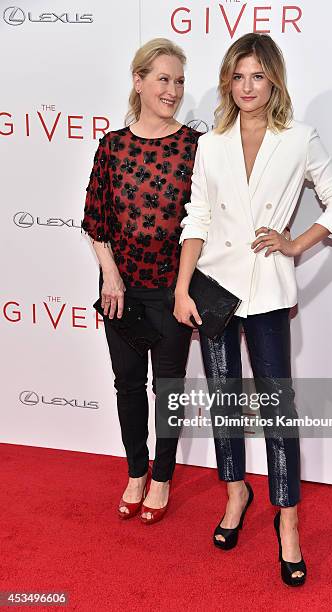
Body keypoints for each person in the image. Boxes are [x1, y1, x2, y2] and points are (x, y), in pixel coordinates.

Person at [174, 32, 332, 585]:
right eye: (238, 75)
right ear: (229, 81)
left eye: (258, 75)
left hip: (270, 292)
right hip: (215, 290)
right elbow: (197, 218)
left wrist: (296, 244)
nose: (247, 86)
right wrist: (182, 288)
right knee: (225, 400)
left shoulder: (298, 138)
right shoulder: (212, 143)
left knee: (278, 411)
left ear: (272, 80)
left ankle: (289, 521)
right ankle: (235, 495)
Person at [82, 38, 201, 524]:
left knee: (168, 389)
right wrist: (109, 274)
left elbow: (203, 221)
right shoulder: (112, 146)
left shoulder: (195, 147)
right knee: (127, 385)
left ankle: (163, 478)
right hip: (122, 293)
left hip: (173, 292)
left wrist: (184, 288)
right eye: (162, 79)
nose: (171, 90)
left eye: (178, 81)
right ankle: (135, 472)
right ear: (139, 81)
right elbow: (95, 217)